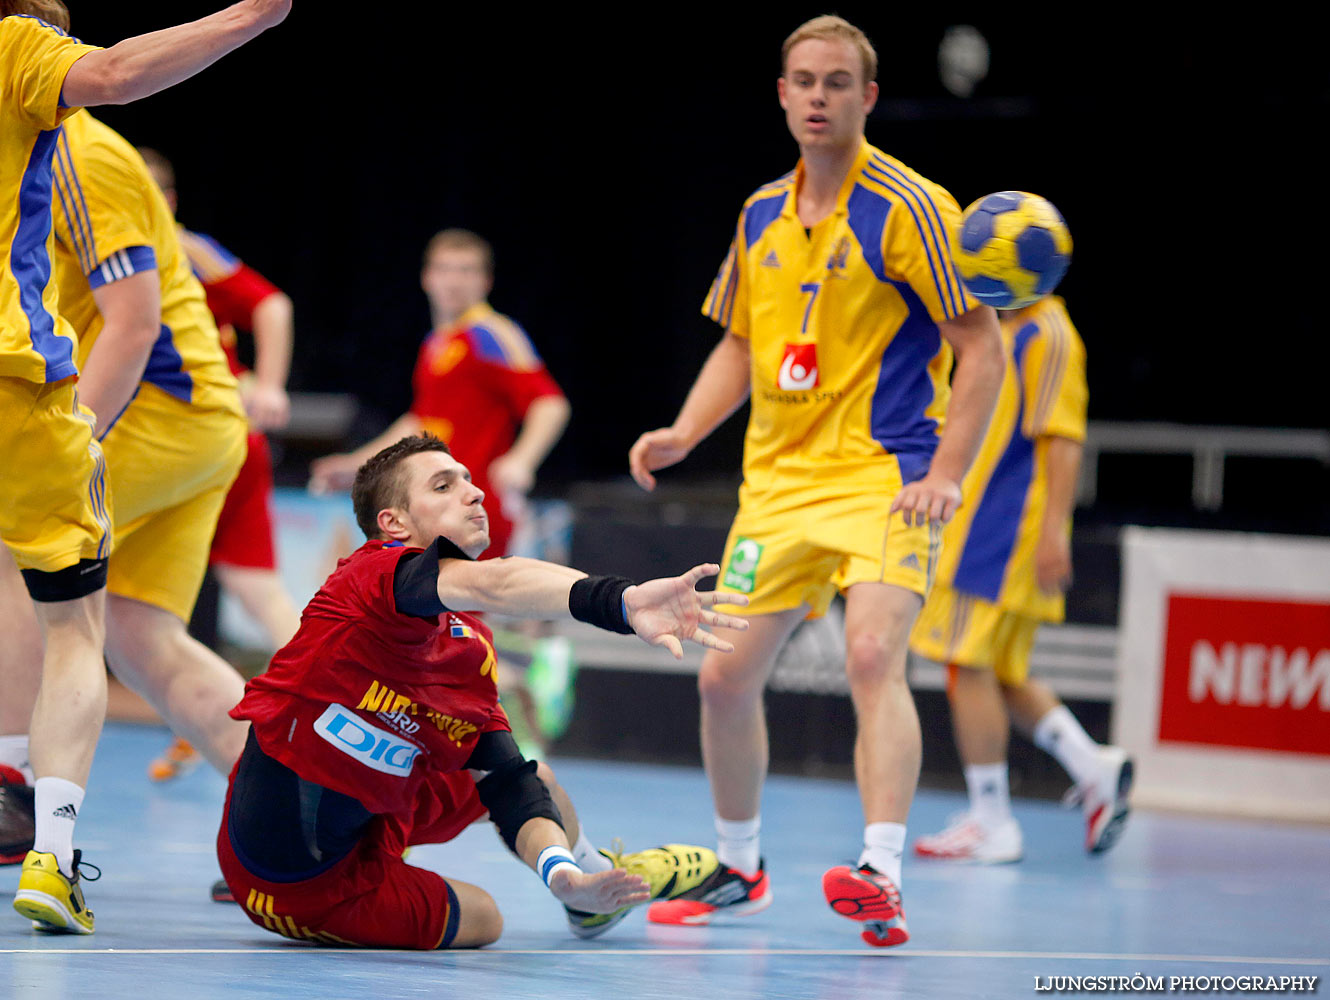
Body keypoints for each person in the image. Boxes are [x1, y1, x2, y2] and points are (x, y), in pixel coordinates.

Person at [627, 15, 1005, 948]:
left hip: (888, 474)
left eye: (838, 82)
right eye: (803, 81)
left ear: (867, 97)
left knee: (874, 654)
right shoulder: (760, 213)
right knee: (722, 681)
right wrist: (683, 429)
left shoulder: (913, 207)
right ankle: (741, 868)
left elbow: (983, 351)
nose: (819, 97)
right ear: (783, 94)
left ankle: (880, 870)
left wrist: (949, 475)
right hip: (778, 488)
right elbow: (745, 341)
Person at [0, 0, 290, 935]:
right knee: (143, 642)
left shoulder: (91, 153)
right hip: (182, 423)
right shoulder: (41, 141)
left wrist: (73, 431)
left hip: (157, 409)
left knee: (20, 559)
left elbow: (132, 324)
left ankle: (15, 790)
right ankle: (294, 832)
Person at [219, 433, 745, 948]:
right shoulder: (367, 577)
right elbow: (494, 581)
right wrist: (620, 603)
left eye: (470, 480)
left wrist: (560, 875)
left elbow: (508, 785)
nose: (473, 492)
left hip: (374, 813)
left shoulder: (470, 649)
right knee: (484, 918)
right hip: (291, 881)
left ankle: (591, 889)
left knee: (538, 780)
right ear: (393, 523)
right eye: (444, 486)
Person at [309, 229, 574, 753]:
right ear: (427, 277)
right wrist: (358, 465)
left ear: (485, 281)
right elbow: (420, 421)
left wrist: (520, 460)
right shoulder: (437, 344)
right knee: (441, 623)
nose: (454, 280)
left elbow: (550, 403)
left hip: (474, 505)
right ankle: (510, 708)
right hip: (429, 506)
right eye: (445, 269)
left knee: (460, 623)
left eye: (466, 270)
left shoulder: (492, 333)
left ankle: (526, 698)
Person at [910, 293, 1132, 863]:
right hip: (989, 525)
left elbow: (1063, 437)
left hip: (1002, 529)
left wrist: (1056, 530)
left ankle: (992, 821)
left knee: (965, 662)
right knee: (1001, 672)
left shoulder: (1050, 335)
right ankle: (1093, 766)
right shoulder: (1013, 328)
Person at [138, 146, 302, 782]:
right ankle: (216, 719)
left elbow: (273, 305)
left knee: (113, 603)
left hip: (202, 440)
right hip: (202, 440)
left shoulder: (182, 247)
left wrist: (270, 387)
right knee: (241, 590)